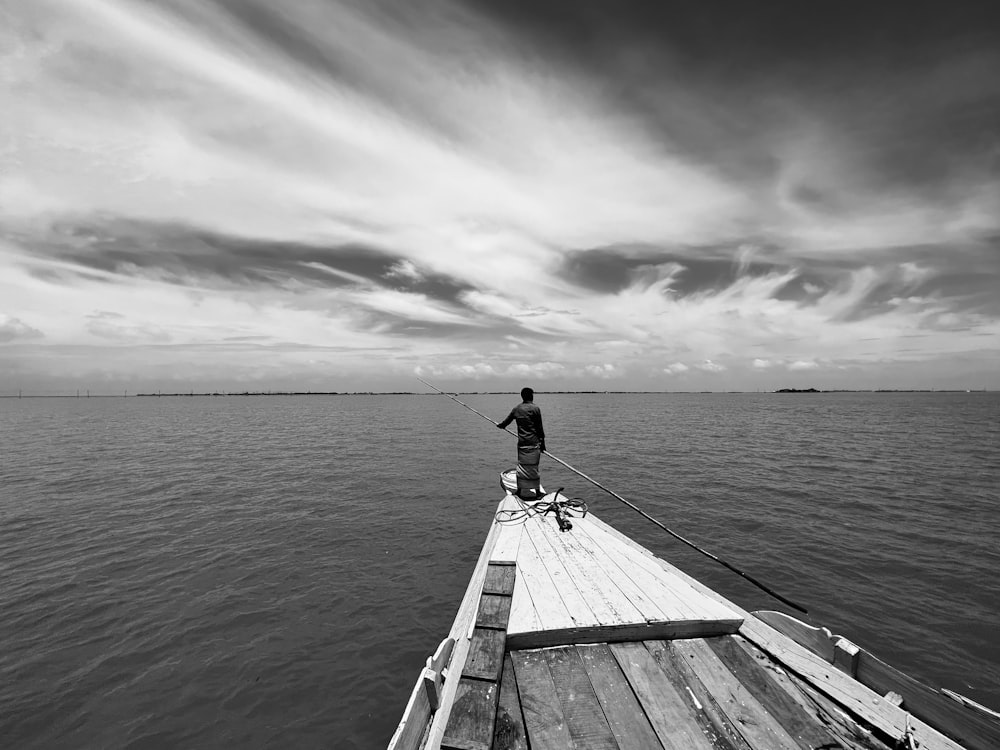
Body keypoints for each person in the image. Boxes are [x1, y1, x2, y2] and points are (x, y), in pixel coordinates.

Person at [497, 387, 546, 499]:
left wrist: (500, 426)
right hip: (534, 443)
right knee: (534, 467)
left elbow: (505, 423)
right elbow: (539, 428)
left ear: (522, 396)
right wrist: (543, 444)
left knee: (522, 467)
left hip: (522, 443)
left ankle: (519, 490)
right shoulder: (535, 409)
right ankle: (537, 492)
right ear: (531, 396)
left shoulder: (517, 409)